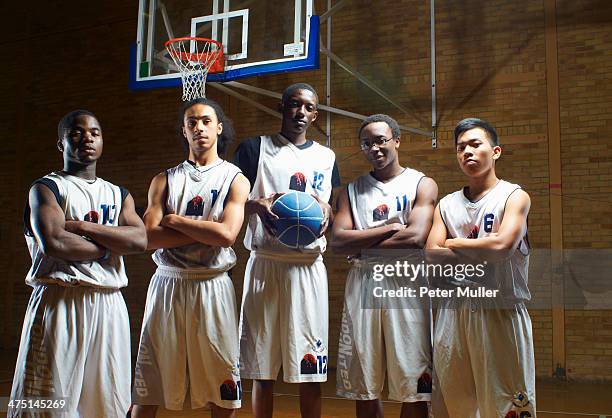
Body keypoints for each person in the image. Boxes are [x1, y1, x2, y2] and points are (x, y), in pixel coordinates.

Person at [9, 110, 147, 417]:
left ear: (102, 140)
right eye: (76, 133)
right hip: (60, 300)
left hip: (109, 305)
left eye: (94, 133)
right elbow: (55, 242)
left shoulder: (118, 193)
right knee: (46, 402)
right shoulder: (46, 188)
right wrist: (108, 247)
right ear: (61, 144)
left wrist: (83, 228)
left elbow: (138, 241)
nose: (87, 138)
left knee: (106, 403)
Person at [130, 98, 249, 418]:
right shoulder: (163, 179)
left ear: (219, 128)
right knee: (150, 377)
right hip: (168, 284)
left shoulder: (235, 179)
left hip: (213, 286)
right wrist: (206, 229)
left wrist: (176, 220)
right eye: (192, 122)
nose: (199, 127)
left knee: (221, 376)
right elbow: (147, 238)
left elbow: (227, 235)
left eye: (206, 121)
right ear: (184, 131)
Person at [233, 83, 341, 418]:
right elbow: (230, 202)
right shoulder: (255, 149)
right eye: (294, 105)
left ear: (315, 114)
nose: (301, 113)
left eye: (308, 108)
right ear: (282, 107)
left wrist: (330, 211)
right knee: (261, 367)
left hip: (308, 267)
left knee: (310, 367)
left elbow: (334, 209)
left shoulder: (326, 156)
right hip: (265, 263)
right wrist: (255, 204)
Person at [426, 118, 535, 417]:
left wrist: (454, 243)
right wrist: (480, 248)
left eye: (475, 144)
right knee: (456, 405)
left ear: (495, 151)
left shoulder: (514, 197)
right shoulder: (446, 204)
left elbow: (501, 248)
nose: (467, 153)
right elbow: (431, 254)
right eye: (461, 148)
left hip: (500, 310)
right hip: (453, 311)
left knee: (505, 405)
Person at [330, 114, 437, 418]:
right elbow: (337, 242)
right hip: (364, 283)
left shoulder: (422, 183)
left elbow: (416, 237)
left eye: (380, 140)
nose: (374, 148)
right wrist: (389, 228)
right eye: (367, 143)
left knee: (414, 375)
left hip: (406, 279)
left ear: (396, 141)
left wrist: (360, 242)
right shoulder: (351, 191)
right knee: (365, 376)